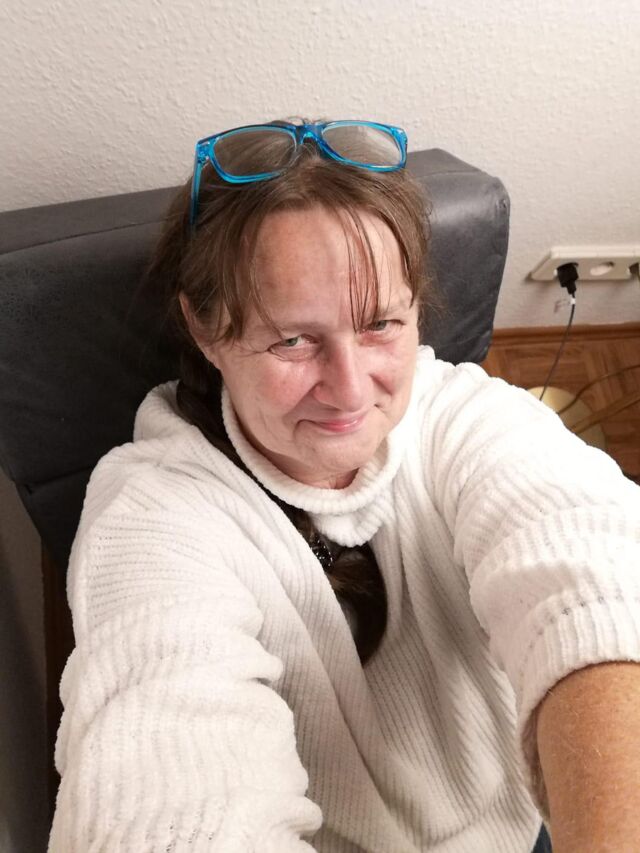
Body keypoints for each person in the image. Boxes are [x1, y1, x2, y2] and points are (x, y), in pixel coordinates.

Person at [49, 119, 640, 852]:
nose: (352, 390)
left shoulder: (463, 416)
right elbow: (165, 782)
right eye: (293, 340)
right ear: (206, 330)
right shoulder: (154, 512)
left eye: (380, 324)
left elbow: (595, 579)